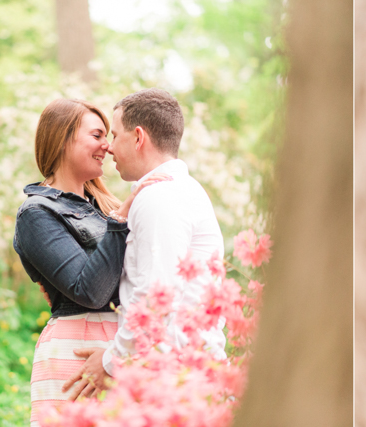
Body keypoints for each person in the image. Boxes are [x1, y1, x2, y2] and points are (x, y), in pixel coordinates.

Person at [59, 88, 227, 400]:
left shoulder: (160, 197)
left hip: (174, 383)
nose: (109, 148)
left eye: (116, 134)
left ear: (138, 137)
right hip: (185, 373)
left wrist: (110, 361)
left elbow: (156, 297)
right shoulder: (182, 191)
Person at [12, 99, 168, 426]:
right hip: (76, 351)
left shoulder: (103, 206)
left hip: (119, 348)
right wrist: (120, 221)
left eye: (108, 136)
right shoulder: (37, 213)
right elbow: (89, 291)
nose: (107, 146)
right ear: (63, 139)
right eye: (97, 135)